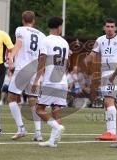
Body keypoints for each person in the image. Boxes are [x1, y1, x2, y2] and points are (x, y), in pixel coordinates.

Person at [85, 18, 117, 140]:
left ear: (116, 28)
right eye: (107, 26)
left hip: (115, 72)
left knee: (109, 101)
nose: (109, 29)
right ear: (104, 28)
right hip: (104, 73)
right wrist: (86, 60)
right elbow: (93, 54)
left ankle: (112, 132)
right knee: (107, 102)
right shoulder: (100, 40)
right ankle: (111, 131)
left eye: (112, 26)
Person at [7, 11, 46, 141]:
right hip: (35, 69)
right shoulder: (41, 35)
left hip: (22, 68)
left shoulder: (20, 30)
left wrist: (11, 56)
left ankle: (21, 128)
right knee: (33, 100)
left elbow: (18, 44)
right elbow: (42, 57)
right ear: (33, 21)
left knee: (12, 98)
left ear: (23, 20)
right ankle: (38, 133)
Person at [32, 16, 69, 148]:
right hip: (62, 80)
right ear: (59, 26)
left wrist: (36, 79)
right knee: (56, 110)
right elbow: (67, 62)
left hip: (50, 81)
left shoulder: (45, 40)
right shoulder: (65, 42)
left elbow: (42, 59)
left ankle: (57, 128)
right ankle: (52, 142)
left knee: (39, 109)